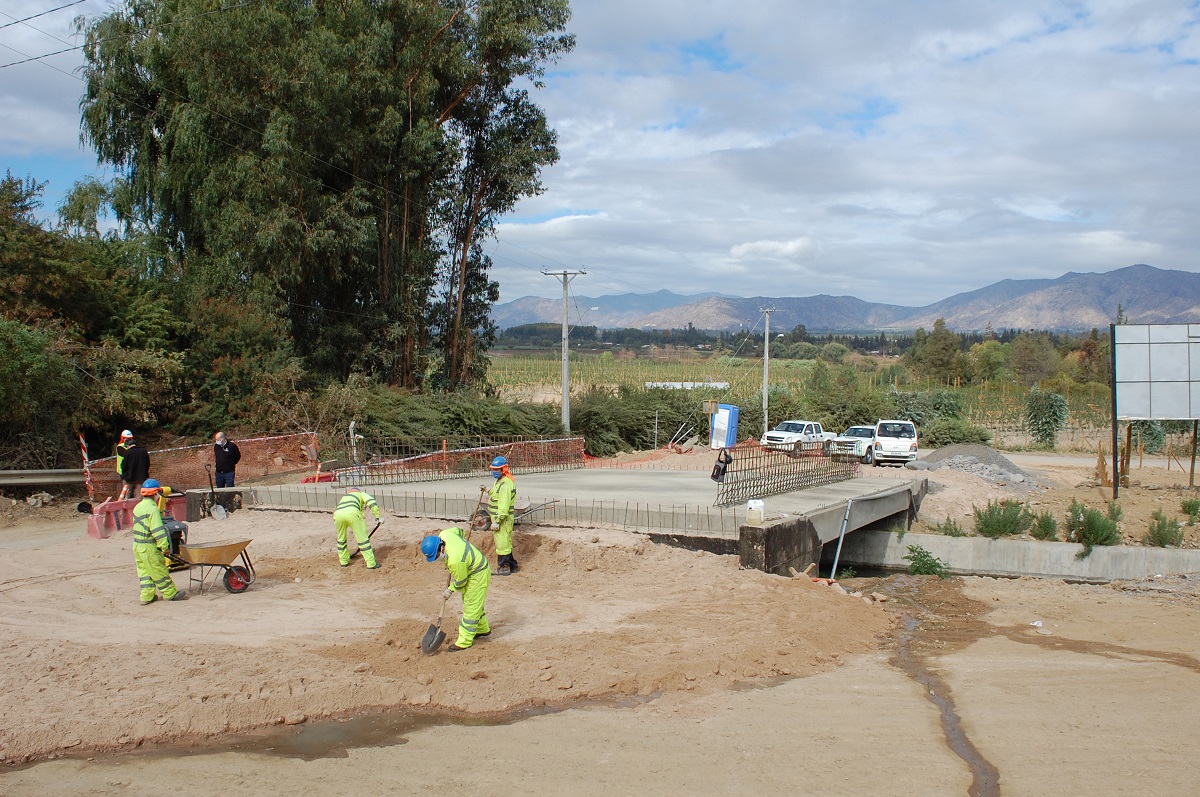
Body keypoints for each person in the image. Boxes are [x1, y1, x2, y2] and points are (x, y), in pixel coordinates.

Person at [421, 527, 491, 651]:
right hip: (470, 568)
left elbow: (461, 582)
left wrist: (450, 590)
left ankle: (464, 641)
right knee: (471, 601)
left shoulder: (455, 560)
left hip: (477, 573)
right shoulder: (445, 534)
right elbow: (459, 530)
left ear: (440, 547)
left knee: (471, 606)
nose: (436, 559)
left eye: (436, 556)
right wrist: (461, 543)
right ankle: (482, 628)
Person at [132, 479, 187, 605]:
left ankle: (146, 597)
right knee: (159, 570)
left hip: (137, 546)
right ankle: (170, 593)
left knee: (145, 572)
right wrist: (164, 547)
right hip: (149, 547)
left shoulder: (138, 507)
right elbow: (157, 530)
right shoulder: (152, 509)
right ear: (155, 493)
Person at [334, 487, 382, 569]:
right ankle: (371, 563)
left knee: (341, 538)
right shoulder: (361, 494)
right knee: (362, 539)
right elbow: (372, 503)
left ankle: (344, 561)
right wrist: (377, 516)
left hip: (338, 515)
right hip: (353, 514)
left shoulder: (345, 497)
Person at [487, 455, 519, 575]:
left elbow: (503, 506)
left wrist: (498, 521)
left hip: (502, 520)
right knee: (505, 542)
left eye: (497, 469)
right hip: (499, 518)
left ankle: (504, 567)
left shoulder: (505, 484)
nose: (494, 472)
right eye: (493, 469)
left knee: (502, 544)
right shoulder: (500, 481)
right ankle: (513, 565)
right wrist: (488, 491)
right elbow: (496, 494)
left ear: (503, 469)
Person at [120, 433, 150, 500]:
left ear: (128, 445)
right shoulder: (144, 451)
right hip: (141, 477)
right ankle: (139, 508)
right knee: (140, 496)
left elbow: (124, 466)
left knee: (127, 495)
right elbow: (147, 464)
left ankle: (128, 508)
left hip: (129, 477)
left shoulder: (127, 452)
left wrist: (124, 475)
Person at [115, 430, 134, 499]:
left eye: (130, 439)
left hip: (130, 470)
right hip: (123, 470)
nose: (128, 440)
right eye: (127, 439)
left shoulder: (131, 446)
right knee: (126, 488)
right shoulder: (120, 447)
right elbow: (128, 455)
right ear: (123, 438)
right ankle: (125, 501)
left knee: (131, 488)